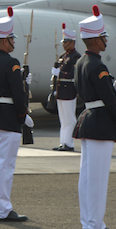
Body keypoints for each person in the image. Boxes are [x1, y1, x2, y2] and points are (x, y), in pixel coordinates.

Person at [73, 5, 116, 229]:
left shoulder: (81, 63)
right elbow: (108, 99)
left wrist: (113, 83)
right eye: (103, 37)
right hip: (100, 124)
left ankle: (89, 222)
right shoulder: (97, 65)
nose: (105, 40)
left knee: (87, 177)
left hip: (88, 120)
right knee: (97, 179)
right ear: (95, 40)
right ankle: (95, 225)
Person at [0, 7, 33, 222]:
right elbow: (18, 94)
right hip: (7, 117)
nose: (13, 42)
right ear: (5, 40)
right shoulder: (11, 62)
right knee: (5, 166)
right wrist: (23, 115)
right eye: (12, 38)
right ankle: (2, 210)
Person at [51, 23, 81, 151]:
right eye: (64, 42)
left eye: (66, 42)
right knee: (63, 119)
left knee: (70, 119)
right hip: (61, 92)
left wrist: (60, 73)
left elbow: (74, 75)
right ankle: (63, 142)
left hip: (69, 91)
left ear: (72, 42)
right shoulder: (63, 56)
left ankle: (69, 144)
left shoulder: (76, 57)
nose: (63, 44)